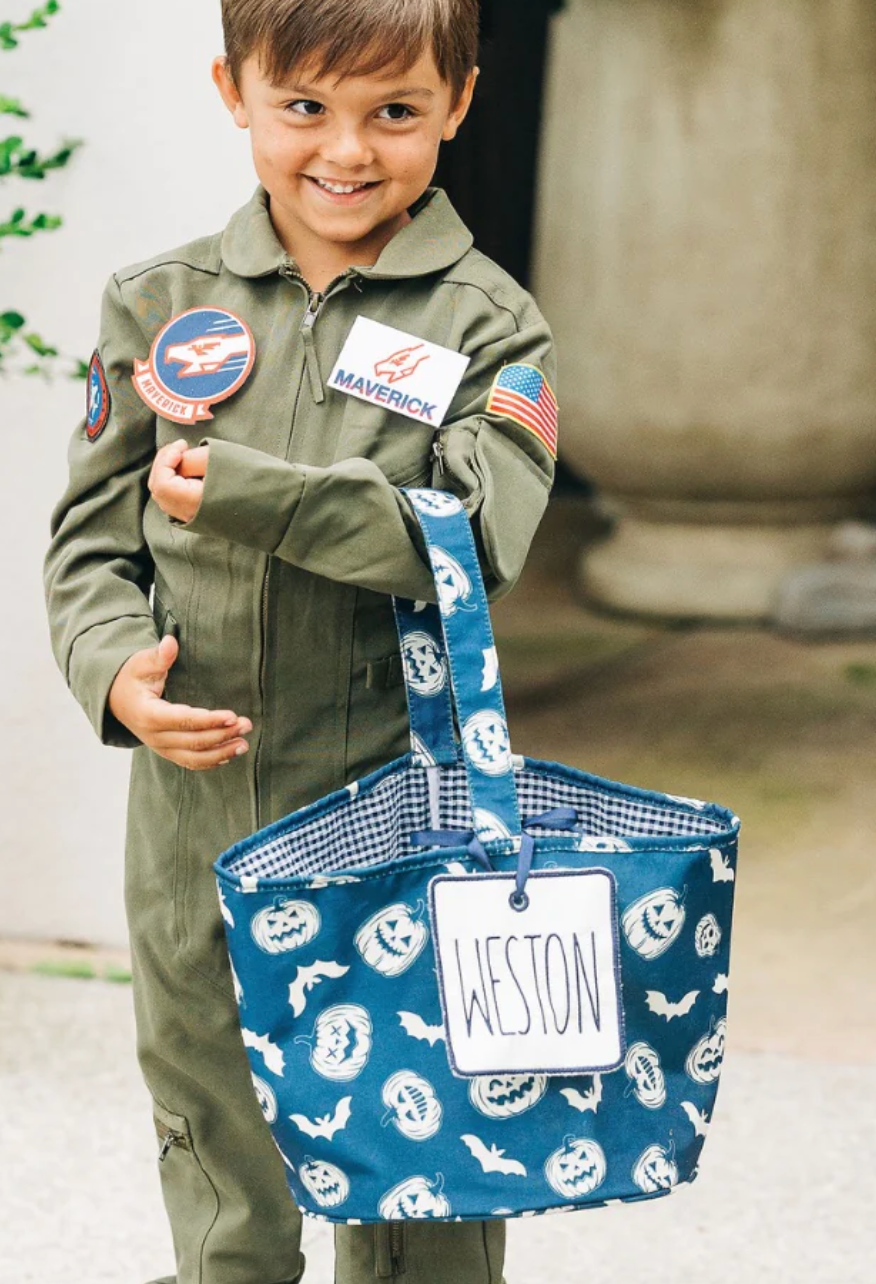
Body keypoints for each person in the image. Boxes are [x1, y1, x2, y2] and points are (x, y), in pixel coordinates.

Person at [43, 1, 558, 1281]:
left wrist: (249, 490)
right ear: (235, 90)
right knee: (214, 1134)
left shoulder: (491, 328)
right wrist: (114, 671)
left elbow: (471, 539)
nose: (347, 150)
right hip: (195, 810)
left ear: (460, 104)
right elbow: (88, 548)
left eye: (394, 110)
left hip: (400, 807)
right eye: (305, 107)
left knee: (415, 1152)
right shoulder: (157, 304)